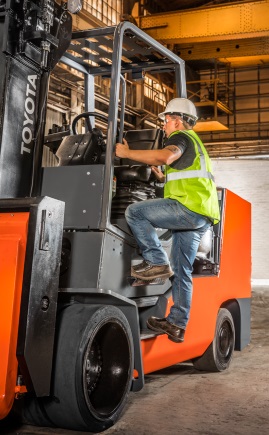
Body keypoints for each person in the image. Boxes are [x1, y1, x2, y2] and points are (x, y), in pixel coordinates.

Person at [115, 98, 220, 344]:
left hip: (188, 209)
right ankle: (177, 324)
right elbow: (179, 173)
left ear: (176, 119)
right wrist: (161, 177)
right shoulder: (196, 144)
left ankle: (155, 263)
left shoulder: (181, 138)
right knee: (182, 273)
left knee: (135, 212)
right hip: (200, 216)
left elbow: (165, 156)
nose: (163, 126)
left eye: (165, 120)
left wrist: (127, 153)